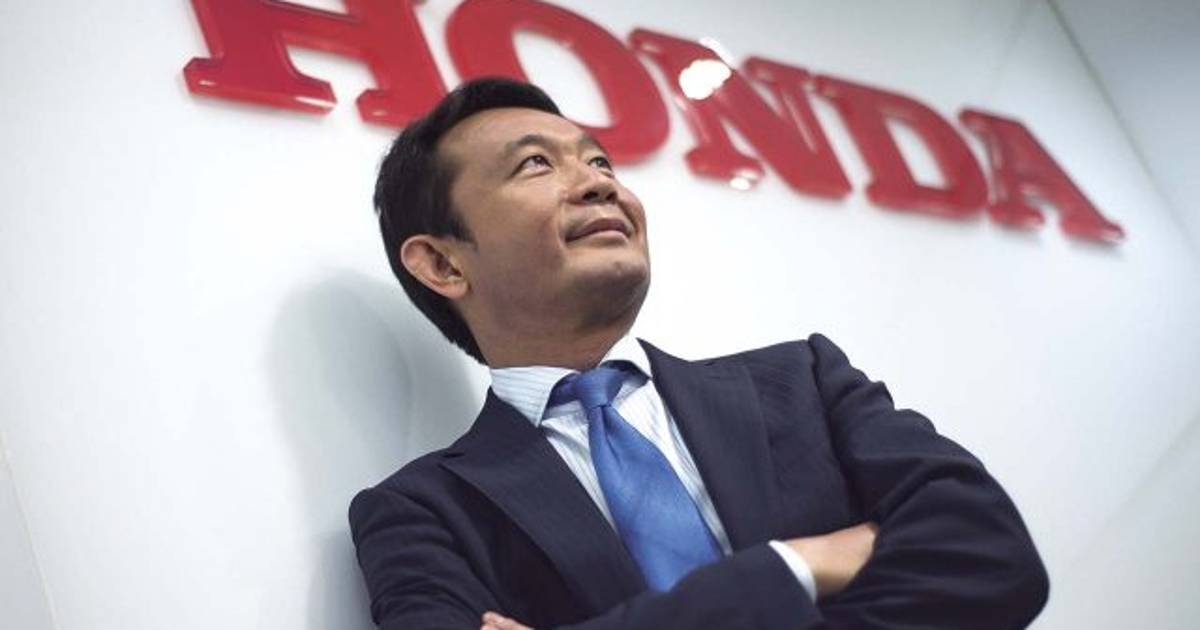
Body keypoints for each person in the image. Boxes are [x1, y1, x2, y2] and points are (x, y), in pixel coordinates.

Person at [349, 77, 1049, 630]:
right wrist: (795, 567)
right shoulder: (422, 515)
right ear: (443, 264)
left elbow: (994, 558)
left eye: (600, 160)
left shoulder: (805, 383)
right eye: (536, 164)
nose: (599, 182)